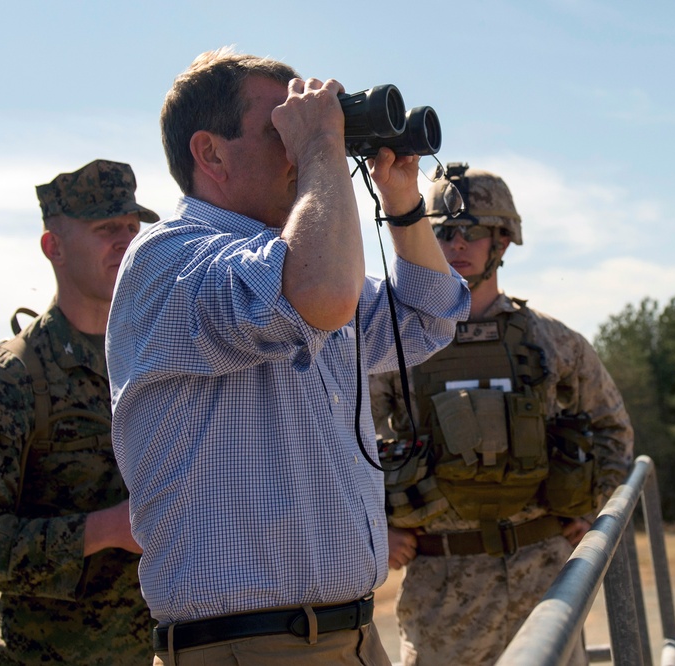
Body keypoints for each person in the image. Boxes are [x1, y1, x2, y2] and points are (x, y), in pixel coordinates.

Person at [105, 48, 470, 666]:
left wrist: (401, 197)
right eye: (284, 129)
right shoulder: (166, 262)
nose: (300, 145)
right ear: (210, 152)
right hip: (251, 645)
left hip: (350, 634)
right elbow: (322, 295)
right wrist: (326, 148)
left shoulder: (297, 262)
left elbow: (428, 318)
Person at [370, 163, 635, 666]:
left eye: (473, 232)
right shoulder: (395, 344)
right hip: (442, 592)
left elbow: (612, 430)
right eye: (442, 232)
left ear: (504, 242)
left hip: (545, 578)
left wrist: (590, 508)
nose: (457, 245)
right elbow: (342, 443)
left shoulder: (552, 342)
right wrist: (374, 529)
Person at [0, 159, 158, 665]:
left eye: (132, 228)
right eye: (105, 228)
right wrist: (105, 529)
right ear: (54, 247)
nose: (125, 241)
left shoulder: (158, 359)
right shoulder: (12, 382)